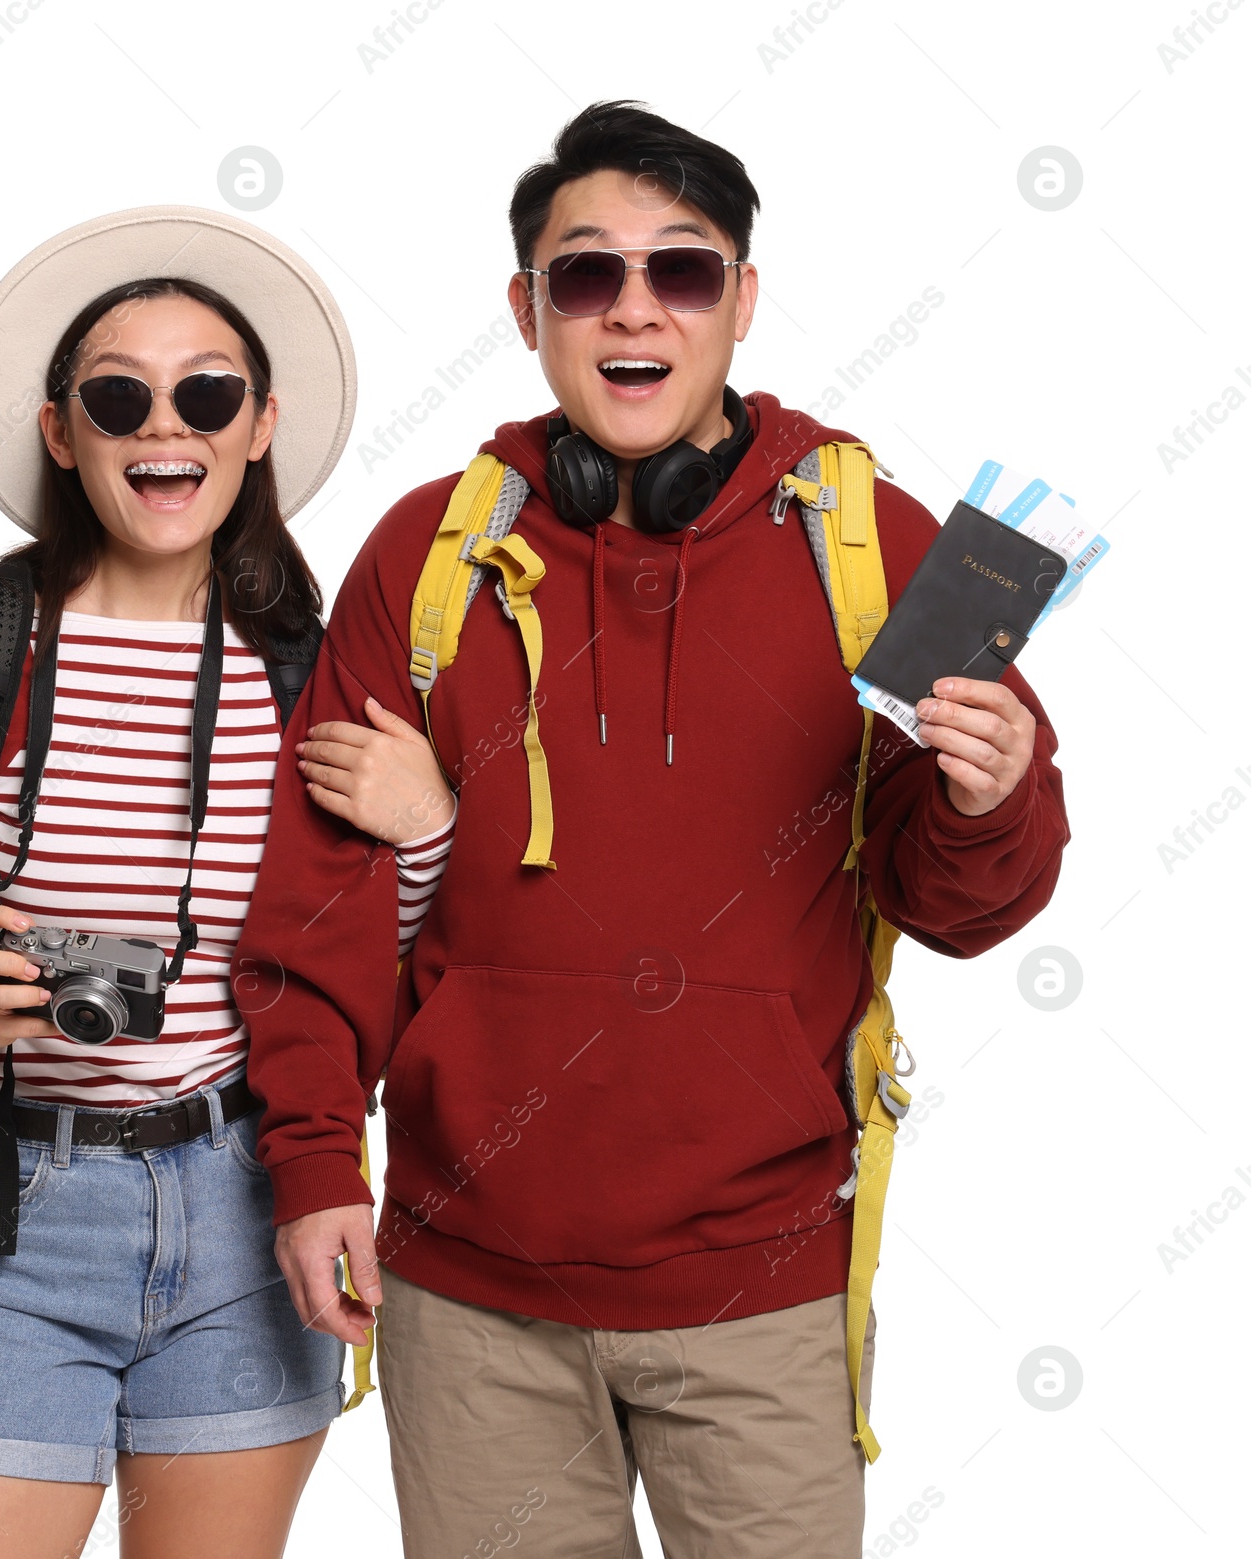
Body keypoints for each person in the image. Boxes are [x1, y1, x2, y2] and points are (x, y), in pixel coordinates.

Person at [238, 104, 1072, 1558]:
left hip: (763, 1293)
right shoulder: (427, 555)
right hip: (466, 1291)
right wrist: (317, 1168)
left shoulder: (875, 542)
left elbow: (953, 907)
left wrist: (989, 796)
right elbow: (324, 910)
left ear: (742, 302)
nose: (635, 310)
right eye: (586, 277)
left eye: (682, 273)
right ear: (528, 312)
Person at [0, 206, 455, 1559]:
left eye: (207, 392)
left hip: (248, 1200)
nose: (168, 425)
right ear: (65, 431)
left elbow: (370, 954)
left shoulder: (311, 671)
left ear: (259, 423)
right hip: (6, 1214)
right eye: (120, 396)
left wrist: (432, 825)